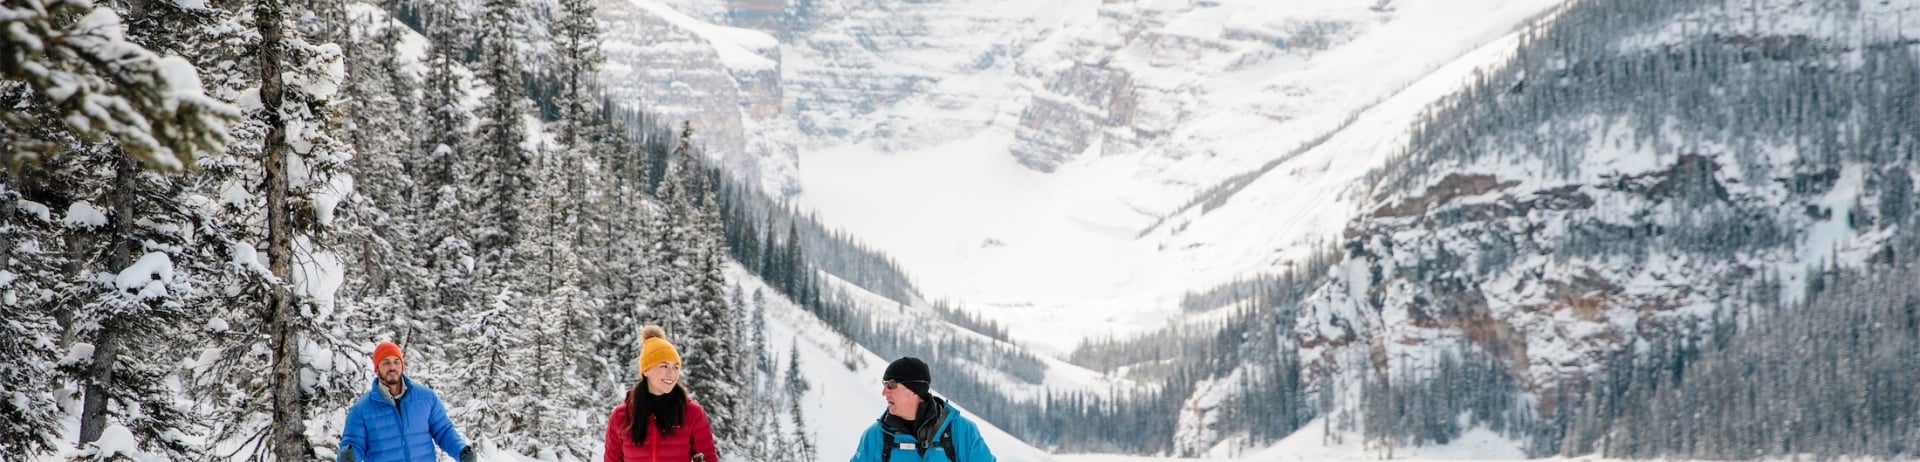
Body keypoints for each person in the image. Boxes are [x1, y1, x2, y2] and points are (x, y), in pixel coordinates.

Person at [338, 341, 476, 462]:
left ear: (402, 365)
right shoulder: (362, 409)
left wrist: (461, 451)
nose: (392, 367)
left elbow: (444, 431)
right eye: (386, 362)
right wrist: (349, 456)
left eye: (396, 361)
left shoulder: (426, 398)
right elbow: (353, 442)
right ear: (377, 368)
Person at [604, 325, 720, 462]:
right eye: (664, 366)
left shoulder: (692, 413)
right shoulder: (620, 416)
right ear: (646, 370)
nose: (671, 374)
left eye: (675, 367)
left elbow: (707, 458)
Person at [849, 357, 996, 462]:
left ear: (914, 391)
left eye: (891, 385)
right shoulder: (875, 436)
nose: (884, 392)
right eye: (884, 384)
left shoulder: (961, 431)